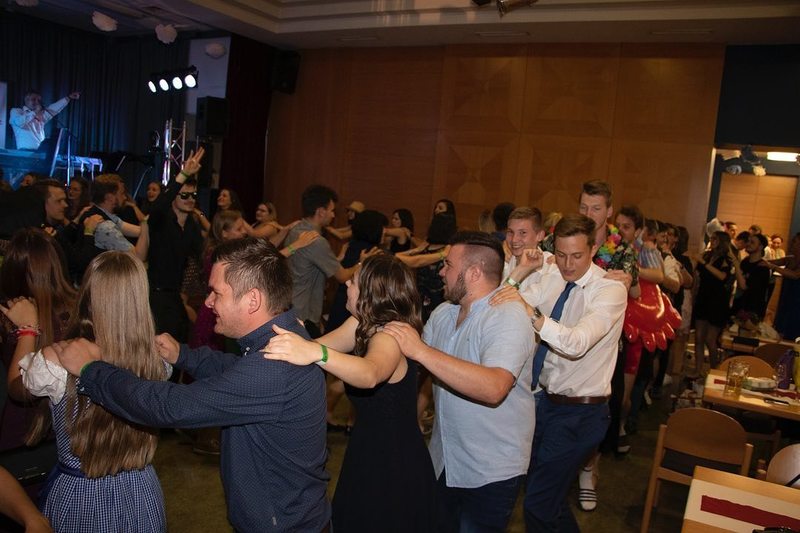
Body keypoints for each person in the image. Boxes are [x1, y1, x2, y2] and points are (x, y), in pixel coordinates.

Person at [51, 238, 330, 532]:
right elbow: (234, 370)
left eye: (216, 293)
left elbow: (169, 406)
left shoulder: (273, 370)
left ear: (252, 300)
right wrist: (183, 356)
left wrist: (91, 370)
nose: (208, 302)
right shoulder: (283, 337)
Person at [264, 254, 436, 532]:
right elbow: (317, 346)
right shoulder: (361, 324)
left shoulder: (388, 337)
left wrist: (315, 353)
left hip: (393, 461)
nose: (346, 285)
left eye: (353, 281)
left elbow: (369, 374)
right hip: (366, 449)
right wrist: (296, 340)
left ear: (371, 292)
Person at [384, 231, 535, 533]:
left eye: (448, 265)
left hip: (490, 469)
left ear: (474, 273)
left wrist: (421, 350)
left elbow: (494, 387)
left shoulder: (507, 316)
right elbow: (419, 368)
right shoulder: (444, 313)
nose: (441, 272)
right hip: (445, 459)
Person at [16, 252, 168, 532]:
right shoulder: (158, 359)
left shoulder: (57, 358)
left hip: (81, 493)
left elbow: (17, 388)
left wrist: (27, 330)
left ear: (88, 296)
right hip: (142, 491)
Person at [498, 214, 628, 532]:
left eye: (577, 255)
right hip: (546, 403)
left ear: (593, 249)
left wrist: (531, 313)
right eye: (561, 254)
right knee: (547, 499)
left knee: (538, 504)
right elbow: (503, 306)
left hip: (582, 413)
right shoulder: (553, 275)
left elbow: (576, 343)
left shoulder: (609, 290)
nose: (568, 264)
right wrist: (520, 272)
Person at [284, 185, 375, 338]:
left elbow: (309, 263)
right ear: (321, 211)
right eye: (332, 210)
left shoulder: (295, 230)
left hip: (290, 305)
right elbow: (342, 276)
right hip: (303, 313)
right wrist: (362, 262)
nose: (333, 215)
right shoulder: (316, 240)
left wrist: (338, 258)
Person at [146, 149, 205, 342]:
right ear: (173, 198)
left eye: (193, 195)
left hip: (175, 296)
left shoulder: (191, 227)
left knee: (182, 340)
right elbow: (158, 206)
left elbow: (201, 254)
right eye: (184, 195)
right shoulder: (161, 222)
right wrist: (184, 174)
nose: (190, 199)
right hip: (156, 296)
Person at [686, 230, 736, 373]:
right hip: (703, 298)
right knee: (698, 337)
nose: (712, 241)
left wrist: (704, 263)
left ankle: (714, 370)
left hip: (718, 301)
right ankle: (698, 370)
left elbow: (722, 276)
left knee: (710, 339)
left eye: (715, 239)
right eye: (711, 238)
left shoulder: (727, 259)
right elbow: (697, 275)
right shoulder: (707, 255)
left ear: (722, 242)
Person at [10, 91, 80, 151]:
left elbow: (54, 109)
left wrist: (68, 97)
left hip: (40, 152)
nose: (37, 102)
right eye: (33, 99)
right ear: (26, 100)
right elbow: (19, 122)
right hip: (25, 152)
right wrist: (35, 112)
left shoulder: (41, 114)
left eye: (39, 100)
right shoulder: (17, 111)